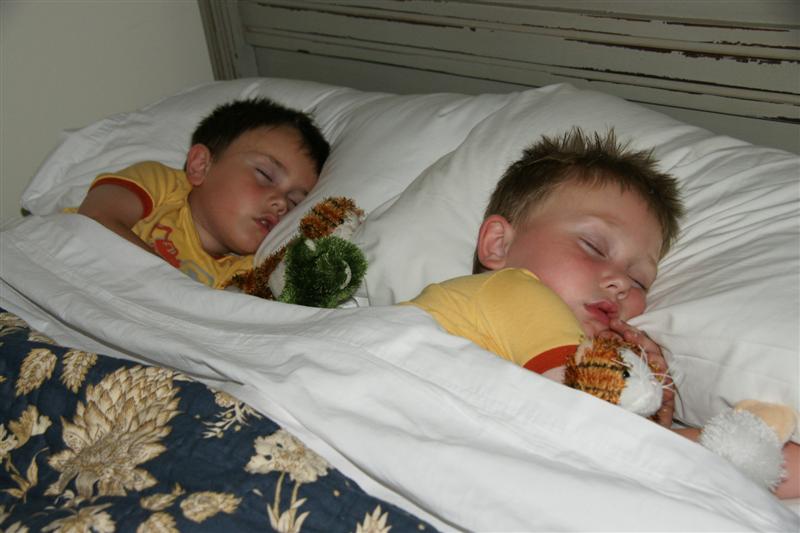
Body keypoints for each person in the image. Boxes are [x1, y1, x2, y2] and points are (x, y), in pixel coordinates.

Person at [406, 127, 799, 499]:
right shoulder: (512, 290)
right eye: (593, 247)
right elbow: (593, 435)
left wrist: (653, 407)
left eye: (639, 281)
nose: (621, 283)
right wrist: (720, 448)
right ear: (498, 245)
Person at [75, 97, 330, 289]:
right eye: (265, 175)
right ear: (200, 165)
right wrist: (174, 287)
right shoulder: (163, 185)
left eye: (294, 201)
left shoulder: (248, 271)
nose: (281, 204)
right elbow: (95, 219)